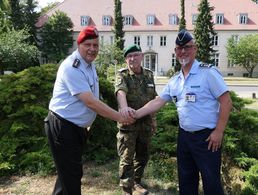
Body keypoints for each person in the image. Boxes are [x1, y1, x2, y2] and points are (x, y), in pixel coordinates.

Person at [132, 29, 232, 195]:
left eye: (187, 47)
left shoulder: (208, 73)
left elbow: (226, 102)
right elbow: (158, 101)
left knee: (211, 183)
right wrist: (136, 114)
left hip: (207, 138)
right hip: (184, 137)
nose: (183, 51)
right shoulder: (175, 80)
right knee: (186, 181)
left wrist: (219, 131)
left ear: (195, 49)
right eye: (179, 48)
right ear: (175, 52)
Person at [44, 26, 134, 195]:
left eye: (95, 45)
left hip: (74, 128)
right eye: (88, 44)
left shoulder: (88, 65)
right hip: (63, 127)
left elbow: (94, 99)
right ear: (79, 45)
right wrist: (119, 117)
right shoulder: (72, 66)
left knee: (67, 174)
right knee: (71, 177)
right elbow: (91, 102)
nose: (92, 49)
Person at [115, 44, 157, 195]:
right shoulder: (123, 75)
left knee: (143, 155)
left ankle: (136, 182)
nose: (132, 59)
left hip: (145, 123)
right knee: (126, 158)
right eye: (129, 56)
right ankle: (127, 189)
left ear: (141, 56)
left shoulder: (149, 75)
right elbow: (121, 92)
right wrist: (124, 109)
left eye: (135, 55)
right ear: (126, 60)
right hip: (129, 124)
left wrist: (153, 119)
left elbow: (153, 99)